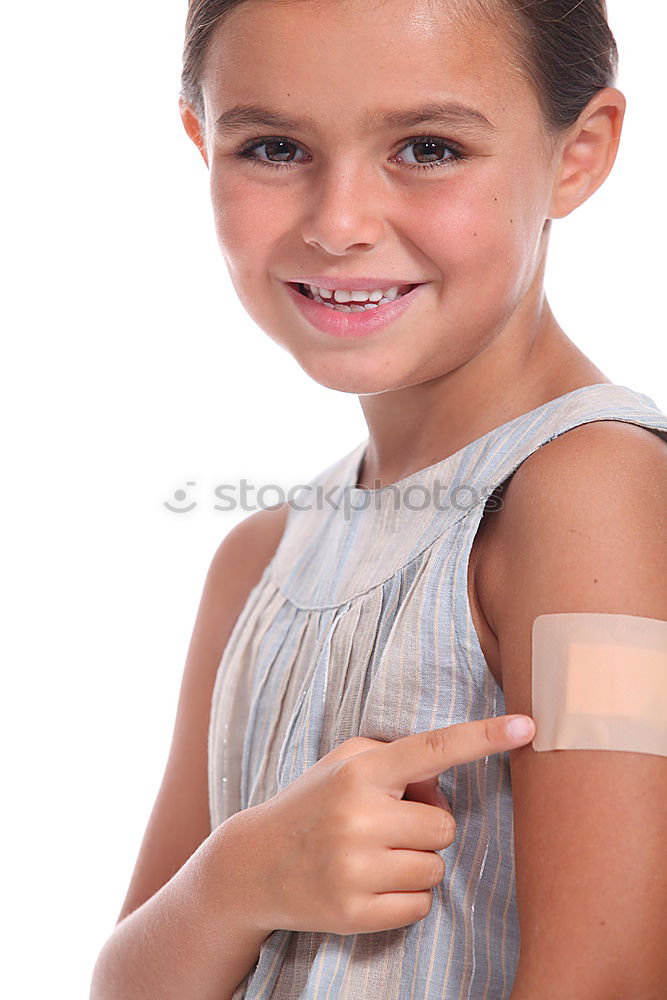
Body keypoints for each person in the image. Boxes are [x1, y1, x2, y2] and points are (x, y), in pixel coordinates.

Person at [90, 1, 667, 998]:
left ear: (576, 154)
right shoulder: (261, 557)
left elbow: (612, 976)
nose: (339, 223)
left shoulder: (592, 495)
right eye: (273, 146)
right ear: (201, 141)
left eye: (429, 147)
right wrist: (235, 883)